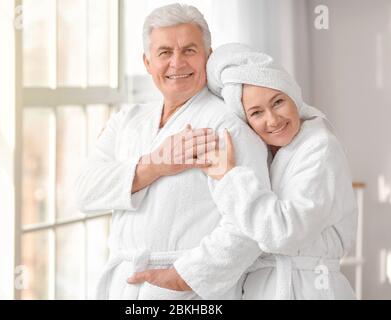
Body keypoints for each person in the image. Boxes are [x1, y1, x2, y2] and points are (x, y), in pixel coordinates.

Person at [130, 43, 358, 299]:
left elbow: (284, 233)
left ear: (293, 95)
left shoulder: (319, 146)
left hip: (310, 288)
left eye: (278, 102)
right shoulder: (271, 151)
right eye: (256, 112)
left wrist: (229, 178)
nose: (272, 120)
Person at [75, 6, 269, 299]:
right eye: (164, 52)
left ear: (208, 56)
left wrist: (186, 276)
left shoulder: (228, 126)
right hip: (123, 285)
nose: (177, 63)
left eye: (189, 50)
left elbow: (250, 223)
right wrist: (154, 165)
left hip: (188, 292)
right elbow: (84, 192)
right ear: (147, 62)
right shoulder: (128, 121)